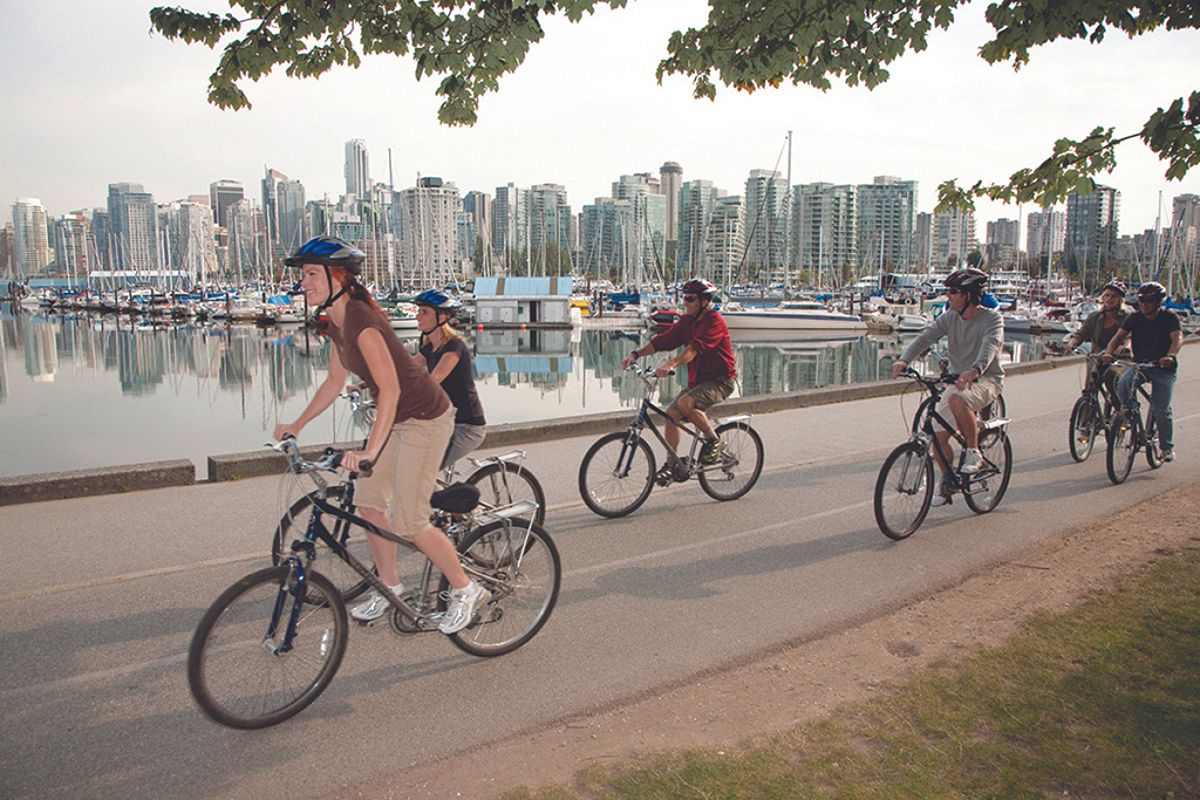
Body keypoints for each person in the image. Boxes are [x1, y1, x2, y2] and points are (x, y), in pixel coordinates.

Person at [273, 237, 489, 633]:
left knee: (410, 520)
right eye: (302, 275)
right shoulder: (336, 322)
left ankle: (466, 588)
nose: (302, 282)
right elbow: (334, 381)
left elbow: (389, 389)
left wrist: (370, 451)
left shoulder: (361, 319)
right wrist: (296, 425)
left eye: (310, 274)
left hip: (425, 418)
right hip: (399, 419)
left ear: (337, 277)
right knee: (370, 503)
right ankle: (389, 584)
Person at [891, 268, 1004, 505]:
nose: (949, 296)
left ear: (969, 295)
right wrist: (904, 359)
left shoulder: (991, 319)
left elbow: (991, 346)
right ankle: (948, 481)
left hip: (986, 380)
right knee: (937, 437)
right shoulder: (950, 317)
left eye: (953, 292)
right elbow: (926, 337)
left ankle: (974, 451)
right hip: (958, 380)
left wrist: (975, 370)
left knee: (956, 400)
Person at [621, 277, 736, 467]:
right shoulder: (687, 321)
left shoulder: (714, 322)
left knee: (685, 403)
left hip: (721, 381)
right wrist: (635, 354)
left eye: (690, 299)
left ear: (704, 301)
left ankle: (714, 440)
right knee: (671, 415)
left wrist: (671, 365)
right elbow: (663, 341)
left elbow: (692, 350)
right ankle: (672, 464)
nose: (685, 303)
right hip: (698, 382)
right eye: (684, 298)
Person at [1102, 281, 1182, 462]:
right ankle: (1129, 412)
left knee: (1161, 409)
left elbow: (1177, 338)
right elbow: (1118, 337)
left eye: (1149, 301)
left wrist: (1170, 355)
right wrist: (1108, 352)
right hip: (1140, 365)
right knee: (1123, 383)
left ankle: (1166, 447)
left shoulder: (1169, 319)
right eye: (1141, 301)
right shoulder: (1135, 318)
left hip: (1162, 368)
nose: (1144, 305)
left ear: (1159, 302)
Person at [414, 289, 487, 472]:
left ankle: (455, 501)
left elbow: (433, 380)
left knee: (425, 470)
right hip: (444, 422)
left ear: (440, 318)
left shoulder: (455, 347)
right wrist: (366, 384)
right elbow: (404, 369)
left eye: (424, 312)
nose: (418, 317)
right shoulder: (429, 348)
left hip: (467, 426)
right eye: (418, 312)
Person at [1067, 280, 1130, 402]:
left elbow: (1130, 337)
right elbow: (1080, 334)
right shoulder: (1095, 317)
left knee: (1114, 384)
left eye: (1113, 296)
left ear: (1120, 300)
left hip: (1119, 359)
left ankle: (1119, 413)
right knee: (1089, 391)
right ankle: (1085, 417)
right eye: (1107, 295)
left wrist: (1125, 347)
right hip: (1098, 357)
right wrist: (1072, 343)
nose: (1109, 299)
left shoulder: (1127, 317)